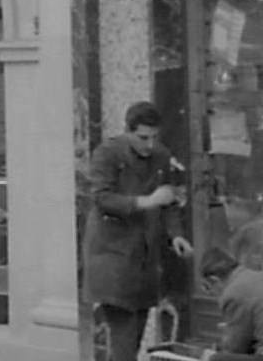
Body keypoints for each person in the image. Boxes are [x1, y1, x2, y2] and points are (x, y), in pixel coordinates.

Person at [83, 101, 193, 361]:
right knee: (123, 341)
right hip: (112, 259)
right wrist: (146, 201)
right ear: (128, 131)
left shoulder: (161, 156)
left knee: (132, 341)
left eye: (155, 137)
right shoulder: (107, 153)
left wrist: (176, 234)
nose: (150, 145)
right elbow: (102, 198)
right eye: (143, 138)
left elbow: (168, 202)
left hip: (145, 261)